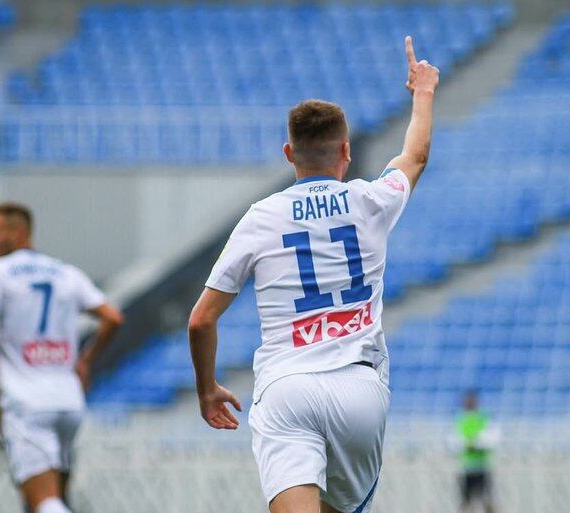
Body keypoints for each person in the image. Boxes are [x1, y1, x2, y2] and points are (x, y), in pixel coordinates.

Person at [187, 36, 439, 513]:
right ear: (345, 150)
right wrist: (423, 92)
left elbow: (201, 320)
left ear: (289, 153)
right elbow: (415, 156)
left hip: (287, 386)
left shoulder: (261, 217)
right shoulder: (371, 200)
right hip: (359, 391)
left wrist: (206, 389)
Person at [0, 202, 124, 513]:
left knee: (44, 502)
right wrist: (86, 361)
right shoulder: (65, 272)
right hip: (68, 400)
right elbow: (112, 317)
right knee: (53, 497)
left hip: (27, 401)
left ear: (19, 232)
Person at [454, 391, 499, 513]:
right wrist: (466, 444)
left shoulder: (484, 417)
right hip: (466, 468)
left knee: (487, 501)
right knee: (466, 503)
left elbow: (492, 438)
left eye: (471, 401)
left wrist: (476, 443)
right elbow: (454, 441)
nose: (469, 403)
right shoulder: (460, 419)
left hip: (482, 467)